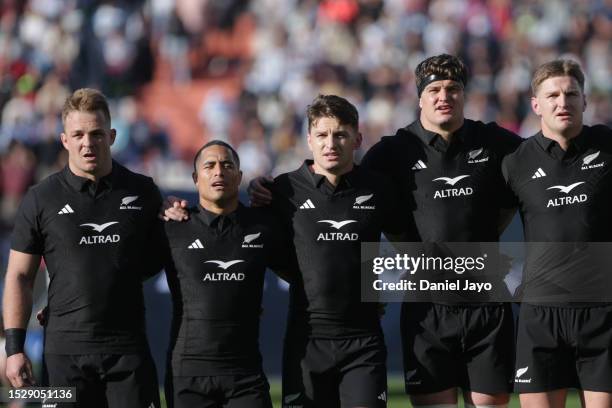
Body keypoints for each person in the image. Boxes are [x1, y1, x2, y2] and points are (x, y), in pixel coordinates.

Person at [248, 54, 522, 408]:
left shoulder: (495, 142)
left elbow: (535, 176)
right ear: (419, 96)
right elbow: (341, 203)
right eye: (435, 89)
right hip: (426, 310)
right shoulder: (391, 152)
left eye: (453, 89)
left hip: (486, 303)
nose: (444, 96)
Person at [167, 94, 405, 407]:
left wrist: (381, 285)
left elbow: (410, 241)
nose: (330, 144)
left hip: (363, 340)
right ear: (309, 140)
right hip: (306, 341)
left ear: (357, 139)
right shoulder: (283, 191)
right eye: (321, 135)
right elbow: (259, 248)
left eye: (340, 135)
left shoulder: (379, 188)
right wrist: (169, 208)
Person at [3, 88, 163, 408]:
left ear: (113, 136)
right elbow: (19, 276)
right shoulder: (40, 198)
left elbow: (160, 260)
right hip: (63, 356)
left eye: (96, 134)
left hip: (127, 351)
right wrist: (14, 349)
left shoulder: (143, 192)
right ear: (64, 140)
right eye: (77, 134)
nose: (87, 144)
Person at [502, 59, 612, 408]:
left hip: (603, 313)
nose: (562, 102)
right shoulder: (515, 162)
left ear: (585, 101)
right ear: (536, 104)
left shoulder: (608, 148)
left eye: (571, 94)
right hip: (541, 315)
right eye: (552, 95)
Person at [163, 140, 293, 408]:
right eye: (209, 166)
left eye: (227, 165)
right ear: (195, 179)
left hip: (246, 375)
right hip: (188, 376)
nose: (219, 172)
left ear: (240, 177)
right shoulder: (171, 227)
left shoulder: (263, 225)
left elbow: (308, 271)